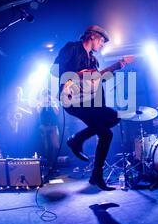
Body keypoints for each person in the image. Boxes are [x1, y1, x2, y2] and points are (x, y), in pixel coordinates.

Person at [51, 25, 131, 190]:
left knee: (114, 117)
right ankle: (94, 172)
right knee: (106, 133)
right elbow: (55, 68)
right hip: (72, 100)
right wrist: (69, 80)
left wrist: (118, 65)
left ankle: (78, 142)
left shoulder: (93, 60)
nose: (103, 45)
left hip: (88, 101)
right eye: (102, 40)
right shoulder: (72, 48)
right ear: (93, 36)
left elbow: (96, 79)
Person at [36, 89, 60, 177]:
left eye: (48, 94)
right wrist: (43, 103)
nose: (47, 96)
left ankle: (53, 165)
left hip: (53, 126)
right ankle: (49, 166)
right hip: (44, 127)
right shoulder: (40, 103)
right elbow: (38, 111)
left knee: (56, 146)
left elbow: (57, 113)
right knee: (47, 147)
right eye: (45, 94)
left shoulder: (54, 102)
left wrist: (52, 103)